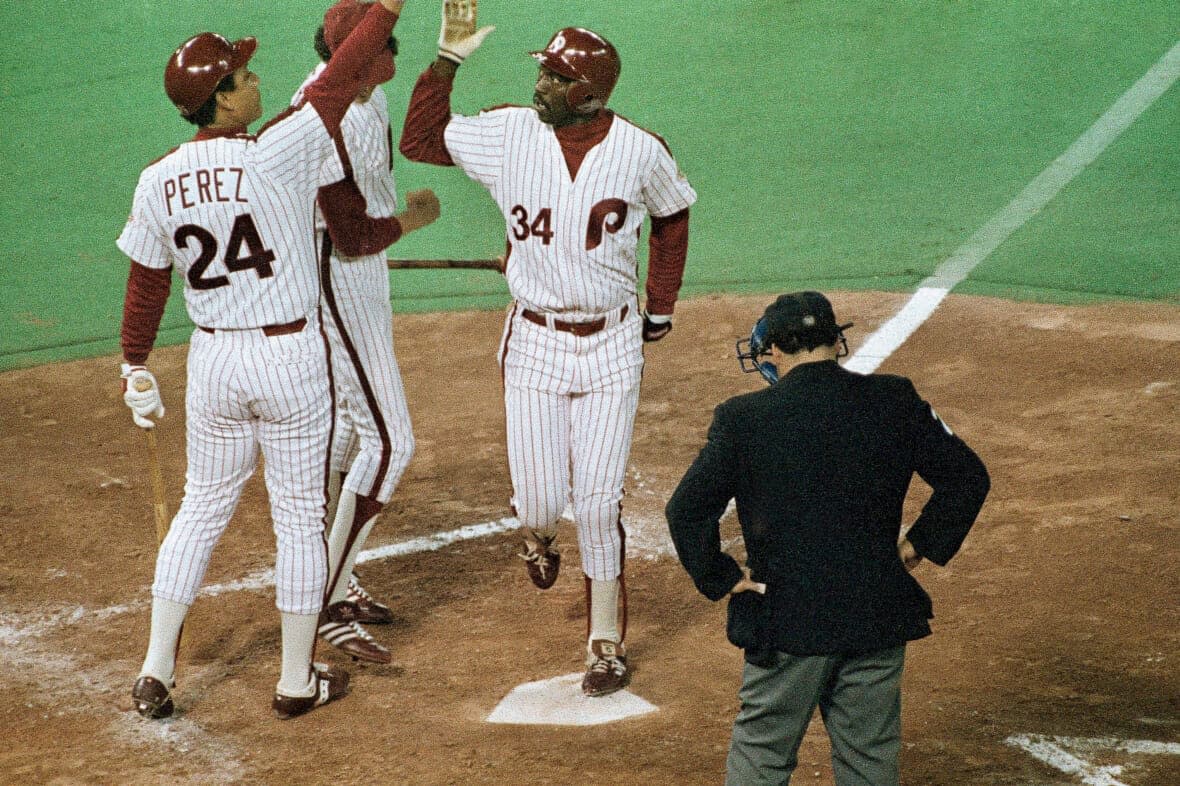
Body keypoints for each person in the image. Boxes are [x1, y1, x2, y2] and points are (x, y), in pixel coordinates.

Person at [117, 0, 410, 720]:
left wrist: (133, 365)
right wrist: (389, 8)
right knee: (299, 519)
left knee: (200, 510)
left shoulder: (158, 178)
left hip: (214, 362)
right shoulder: (281, 147)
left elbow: (148, 281)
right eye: (243, 74)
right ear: (220, 97)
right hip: (288, 361)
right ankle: (293, 680)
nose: (256, 79)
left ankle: (156, 669)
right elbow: (342, 77)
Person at [400, 2, 697, 696]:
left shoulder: (639, 150)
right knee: (539, 501)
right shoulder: (510, 132)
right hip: (533, 339)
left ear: (587, 95)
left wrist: (661, 307)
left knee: (597, 504)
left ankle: (604, 644)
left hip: (613, 343)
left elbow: (674, 217)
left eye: (554, 78)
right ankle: (536, 535)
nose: (540, 86)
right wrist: (447, 59)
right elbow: (419, 140)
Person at [665, 292, 990, 785]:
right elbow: (968, 478)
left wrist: (722, 578)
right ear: (836, 342)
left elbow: (686, 510)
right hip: (876, 610)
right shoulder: (894, 399)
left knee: (763, 753)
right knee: (869, 758)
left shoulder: (743, 418)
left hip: (787, 619)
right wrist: (918, 544)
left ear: (773, 350)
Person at [292, 0, 440, 665]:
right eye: (384, 44)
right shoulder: (331, 118)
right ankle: (318, 597)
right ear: (354, 54)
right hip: (339, 273)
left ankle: (331, 574)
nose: (394, 53)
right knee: (390, 441)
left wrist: (451, 60)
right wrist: (410, 222)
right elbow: (349, 239)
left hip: (357, 269)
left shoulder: (364, 97)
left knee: (352, 431)